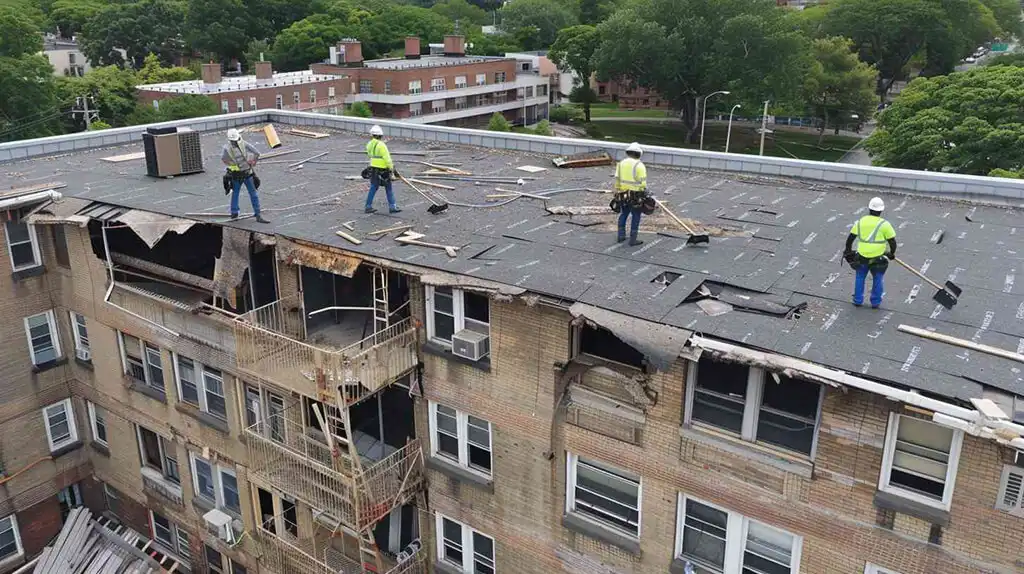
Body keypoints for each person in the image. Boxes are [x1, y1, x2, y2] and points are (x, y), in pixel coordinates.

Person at [844, 197, 897, 308]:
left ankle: (858, 300)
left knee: (860, 277)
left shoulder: (860, 222)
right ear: (881, 210)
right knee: (878, 278)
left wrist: (848, 251)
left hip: (862, 257)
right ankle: (875, 302)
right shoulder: (885, 224)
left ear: (869, 208)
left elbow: (850, 239)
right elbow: (892, 241)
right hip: (878, 258)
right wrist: (891, 253)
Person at [221, 129, 269, 223]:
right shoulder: (227, 148)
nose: (234, 142)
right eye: (233, 141)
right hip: (238, 175)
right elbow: (224, 159)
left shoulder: (242, 144)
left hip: (247, 173)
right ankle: (235, 213)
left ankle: (257, 214)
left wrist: (254, 161)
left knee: (250, 194)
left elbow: (257, 153)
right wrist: (233, 165)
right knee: (238, 194)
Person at [613, 142, 648, 246]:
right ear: (639, 153)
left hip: (623, 194)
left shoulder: (621, 163)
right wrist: (645, 192)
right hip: (636, 195)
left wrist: (618, 191)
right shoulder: (639, 165)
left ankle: (621, 236)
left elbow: (617, 179)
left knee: (624, 214)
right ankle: (633, 239)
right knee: (636, 215)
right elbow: (642, 183)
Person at [365, 125, 401, 214]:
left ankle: (368, 206)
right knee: (388, 188)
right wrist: (392, 168)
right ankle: (392, 207)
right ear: (380, 135)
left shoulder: (369, 144)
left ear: (372, 135)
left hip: (373, 169)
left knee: (373, 187)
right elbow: (387, 158)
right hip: (383, 170)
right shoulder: (381, 145)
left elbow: (369, 155)